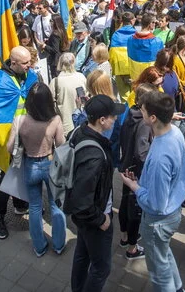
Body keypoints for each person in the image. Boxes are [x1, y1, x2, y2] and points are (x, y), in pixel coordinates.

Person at [121, 91, 185, 292]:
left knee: (159, 271)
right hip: (172, 211)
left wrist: (134, 187)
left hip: (158, 220)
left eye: (142, 109)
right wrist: (142, 183)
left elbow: (157, 203)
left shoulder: (160, 156)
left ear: (152, 117)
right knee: (164, 255)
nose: (139, 111)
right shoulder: (175, 133)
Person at [66, 94, 123, 292]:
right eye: (112, 116)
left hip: (86, 219)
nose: (115, 119)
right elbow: (83, 202)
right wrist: (101, 220)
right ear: (101, 120)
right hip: (94, 218)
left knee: (82, 254)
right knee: (102, 268)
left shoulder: (79, 131)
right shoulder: (95, 157)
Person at [7, 83, 67, 257]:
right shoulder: (55, 120)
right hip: (50, 164)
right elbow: (61, 144)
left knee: (34, 207)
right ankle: (58, 244)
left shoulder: (20, 120)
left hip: (30, 164)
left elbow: (10, 148)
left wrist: (23, 148)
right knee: (56, 206)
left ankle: (39, 246)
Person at [0, 45, 38, 240]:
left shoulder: (28, 75)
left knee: (21, 172)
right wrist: (8, 143)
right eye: (25, 63)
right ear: (13, 62)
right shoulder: (1, 82)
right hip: (11, 139)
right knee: (7, 176)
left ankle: (19, 204)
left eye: (29, 62)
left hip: (27, 136)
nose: (29, 65)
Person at [117, 83, 157, 260]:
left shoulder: (130, 113)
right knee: (135, 210)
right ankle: (132, 249)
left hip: (126, 166)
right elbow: (141, 152)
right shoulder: (144, 122)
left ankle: (124, 237)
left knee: (125, 205)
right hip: (136, 172)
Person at [50, 52, 89, 135]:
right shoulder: (81, 77)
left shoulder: (55, 82)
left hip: (64, 125)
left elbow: (50, 104)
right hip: (81, 121)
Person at [45, 14, 70, 80]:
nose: (50, 23)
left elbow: (54, 50)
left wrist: (45, 46)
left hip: (56, 62)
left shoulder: (55, 34)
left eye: (51, 21)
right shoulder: (62, 31)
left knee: (57, 80)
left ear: (55, 22)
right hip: (62, 59)